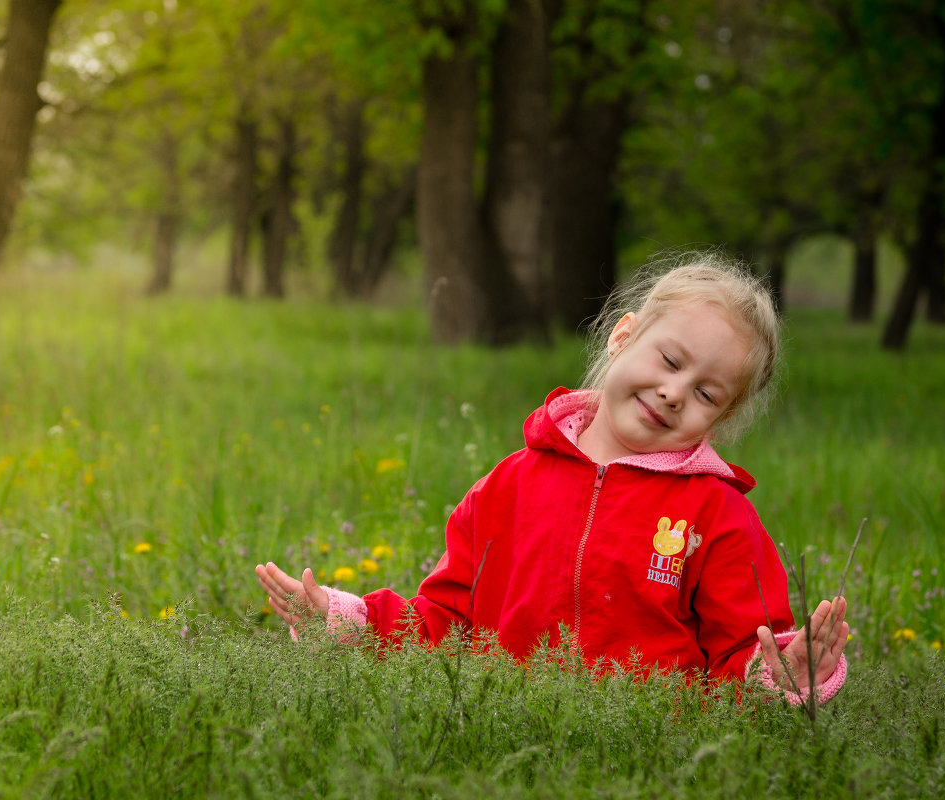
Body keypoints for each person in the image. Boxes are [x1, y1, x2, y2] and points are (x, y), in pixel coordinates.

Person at [256, 253, 848, 703]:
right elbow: (448, 621)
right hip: (510, 735)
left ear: (721, 418)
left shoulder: (716, 514)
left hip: (652, 752)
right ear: (623, 337)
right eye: (669, 360)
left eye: (705, 393)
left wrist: (781, 673)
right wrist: (352, 621)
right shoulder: (510, 484)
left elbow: (744, 647)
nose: (673, 393)